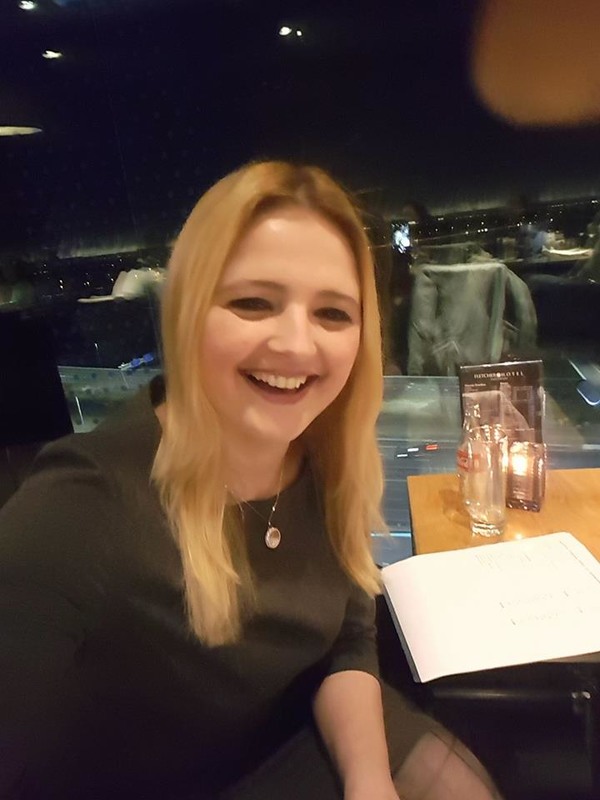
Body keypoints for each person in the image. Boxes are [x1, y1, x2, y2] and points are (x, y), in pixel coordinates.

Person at [0, 161, 501, 799]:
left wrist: (368, 781)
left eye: (332, 313)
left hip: (287, 738)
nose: (296, 344)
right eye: (252, 303)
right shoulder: (83, 505)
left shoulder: (325, 456)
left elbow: (347, 639)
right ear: (188, 312)